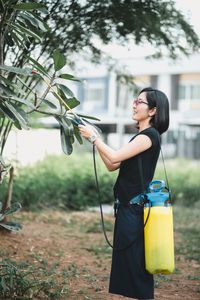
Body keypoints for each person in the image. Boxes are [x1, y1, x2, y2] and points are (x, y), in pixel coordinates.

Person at [78, 87, 169, 300]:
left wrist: (94, 138)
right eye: (135, 101)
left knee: (136, 265)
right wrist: (97, 140)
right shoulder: (140, 136)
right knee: (129, 264)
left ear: (153, 111)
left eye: (140, 102)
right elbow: (113, 163)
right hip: (128, 207)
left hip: (135, 209)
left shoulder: (149, 136)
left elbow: (115, 155)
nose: (134, 105)